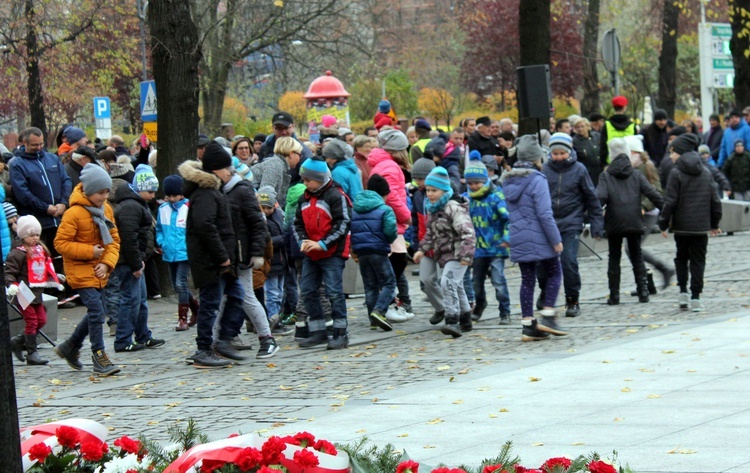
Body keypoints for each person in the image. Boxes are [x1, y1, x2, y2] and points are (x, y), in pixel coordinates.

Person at [179, 142, 247, 368]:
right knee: (210, 303)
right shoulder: (206, 192)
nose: (231, 171)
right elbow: (205, 226)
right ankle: (204, 348)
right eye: (227, 167)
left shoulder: (214, 190)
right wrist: (221, 256)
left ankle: (224, 340)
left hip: (220, 260)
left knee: (237, 295)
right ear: (216, 169)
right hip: (211, 261)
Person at [54, 163, 121, 376]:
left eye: (107, 192)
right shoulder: (73, 213)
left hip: (100, 271)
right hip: (80, 271)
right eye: (100, 192)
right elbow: (61, 244)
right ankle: (99, 355)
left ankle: (70, 346)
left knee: (97, 312)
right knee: (96, 310)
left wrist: (106, 263)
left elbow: (114, 242)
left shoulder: (106, 209)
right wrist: (89, 252)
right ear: (89, 190)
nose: (104, 196)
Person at [501, 135, 568, 342]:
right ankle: (548, 315)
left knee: (527, 280)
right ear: (537, 157)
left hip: (518, 236)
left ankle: (528, 325)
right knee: (555, 273)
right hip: (540, 235)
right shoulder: (538, 179)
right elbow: (544, 214)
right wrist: (555, 240)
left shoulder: (508, 179)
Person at [221, 157, 280, 359]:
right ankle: (219, 340)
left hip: (242, 255)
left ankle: (267, 337)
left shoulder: (244, 194)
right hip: (232, 253)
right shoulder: (226, 192)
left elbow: (258, 228)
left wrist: (255, 255)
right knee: (224, 298)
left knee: (246, 297)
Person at [540, 132, 604, 318]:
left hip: (571, 222)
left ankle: (572, 299)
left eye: (562, 153)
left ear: (569, 152)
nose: (559, 157)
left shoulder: (579, 169)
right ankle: (545, 292)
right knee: (542, 265)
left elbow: (591, 198)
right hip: (548, 223)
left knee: (569, 261)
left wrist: (596, 225)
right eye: (555, 153)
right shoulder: (545, 169)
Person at [293, 157, 352, 350]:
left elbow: (342, 223)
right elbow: (297, 224)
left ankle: (340, 332)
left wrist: (323, 244)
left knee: (334, 292)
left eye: (308, 180)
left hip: (332, 252)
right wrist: (303, 241)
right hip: (312, 253)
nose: (305, 183)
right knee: (308, 290)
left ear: (319, 178)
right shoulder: (304, 198)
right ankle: (318, 330)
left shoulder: (336, 196)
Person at [659, 133, 722, 312]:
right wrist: (715, 223)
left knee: (681, 258)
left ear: (680, 152)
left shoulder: (676, 173)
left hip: (682, 226)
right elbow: (715, 200)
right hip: (701, 227)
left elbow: (670, 201)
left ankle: (683, 293)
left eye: (672, 152)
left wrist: (663, 223)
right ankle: (696, 297)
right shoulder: (706, 172)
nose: (670, 156)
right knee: (698, 261)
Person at [597, 139, 664, 305]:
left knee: (614, 256)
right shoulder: (636, 174)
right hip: (634, 219)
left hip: (614, 221)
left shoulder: (606, 175)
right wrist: (668, 211)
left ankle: (614, 295)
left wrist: (595, 213)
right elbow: (653, 193)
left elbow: (600, 197)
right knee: (637, 255)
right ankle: (643, 292)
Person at [10, 127, 72, 302]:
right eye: (34, 145)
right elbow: (23, 193)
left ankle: (62, 294)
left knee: (58, 256)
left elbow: (66, 180)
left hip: (58, 218)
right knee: (40, 259)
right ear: (24, 143)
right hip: (37, 221)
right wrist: (46, 208)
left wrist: (63, 203)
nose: (39, 148)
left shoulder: (52, 159)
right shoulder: (18, 164)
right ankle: (45, 296)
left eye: (41, 144)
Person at [413, 167, 476, 338]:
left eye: (434, 190)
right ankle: (466, 318)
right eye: (428, 190)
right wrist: (422, 250)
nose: (430, 194)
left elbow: (467, 232)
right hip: (444, 253)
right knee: (456, 285)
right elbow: (431, 233)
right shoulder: (433, 208)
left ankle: (452, 320)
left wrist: (466, 255)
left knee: (447, 282)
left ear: (444, 190)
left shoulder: (453, 208)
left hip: (458, 253)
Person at [111, 165, 165, 353]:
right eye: (150, 191)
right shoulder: (131, 206)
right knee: (130, 300)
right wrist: (136, 263)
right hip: (129, 262)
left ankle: (143, 335)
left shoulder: (136, 204)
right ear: (140, 188)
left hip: (136, 260)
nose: (152, 195)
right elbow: (129, 238)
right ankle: (123, 339)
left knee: (139, 300)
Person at [5, 215, 64, 365]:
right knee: (31, 321)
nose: (35, 238)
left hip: (37, 292)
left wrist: (55, 276)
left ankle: (18, 341)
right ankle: (32, 353)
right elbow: (9, 272)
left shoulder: (40, 251)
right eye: (31, 235)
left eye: (37, 235)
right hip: (23, 292)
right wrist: (11, 284)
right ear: (23, 236)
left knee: (42, 320)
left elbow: (44, 268)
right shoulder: (17, 253)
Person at [369, 129, 414, 315]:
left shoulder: (382, 165)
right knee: (396, 263)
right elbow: (391, 196)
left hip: (389, 220)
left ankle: (390, 304)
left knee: (394, 264)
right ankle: (386, 305)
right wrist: (406, 215)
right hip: (392, 221)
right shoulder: (389, 166)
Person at [462, 158, 511, 324]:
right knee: (477, 281)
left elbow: (508, 219)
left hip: (497, 246)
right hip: (477, 248)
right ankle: (480, 304)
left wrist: (507, 237)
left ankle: (505, 311)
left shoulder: (496, 196)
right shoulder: (466, 200)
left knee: (498, 280)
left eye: (478, 183)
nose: (474, 186)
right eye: (471, 183)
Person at [623, 135, 674, 292]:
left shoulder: (647, 167)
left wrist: (644, 206)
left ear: (636, 152)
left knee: (633, 248)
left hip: (648, 213)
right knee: (632, 248)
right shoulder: (630, 168)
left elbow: (656, 192)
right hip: (636, 213)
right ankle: (647, 280)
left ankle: (661, 271)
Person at [350, 174, 398, 332]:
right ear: (383, 194)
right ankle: (379, 311)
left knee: (370, 286)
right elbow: (390, 229)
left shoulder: (356, 208)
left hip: (362, 251)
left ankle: (372, 318)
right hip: (378, 250)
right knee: (389, 283)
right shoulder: (385, 209)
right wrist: (389, 240)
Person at [156, 174, 199, 331]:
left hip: (184, 252)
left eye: (175, 195)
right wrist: (162, 242)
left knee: (181, 283)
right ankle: (195, 306)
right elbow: (159, 229)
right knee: (176, 285)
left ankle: (183, 318)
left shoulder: (188, 208)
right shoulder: (163, 209)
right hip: (169, 252)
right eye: (169, 195)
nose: (172, 199)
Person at [258, 186, 287, 340]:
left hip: (281, 261)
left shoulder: (278, 216)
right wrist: (282, 240)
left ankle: (276, 318)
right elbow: (265, 240)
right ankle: (271, 319)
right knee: (272, 294)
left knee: (280, 293)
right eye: (262, 207)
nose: (265, 210)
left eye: (268, 208)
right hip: (271, 261)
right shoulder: (261, 220)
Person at [600, 96, 637, 164]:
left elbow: (603, 146)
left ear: (614, 107)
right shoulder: (632, 125)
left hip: (611, 162)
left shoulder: (607, 124)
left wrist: (603, 164)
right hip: (629, 162)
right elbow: (636, 146)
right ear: (624, 107)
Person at [572, 117, 602, 186]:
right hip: (587, 174)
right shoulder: (574, 141)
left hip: (600, 171)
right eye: (577, 127)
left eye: (582, 126)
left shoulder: (596, 136)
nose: (580, 129)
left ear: (588, 126)